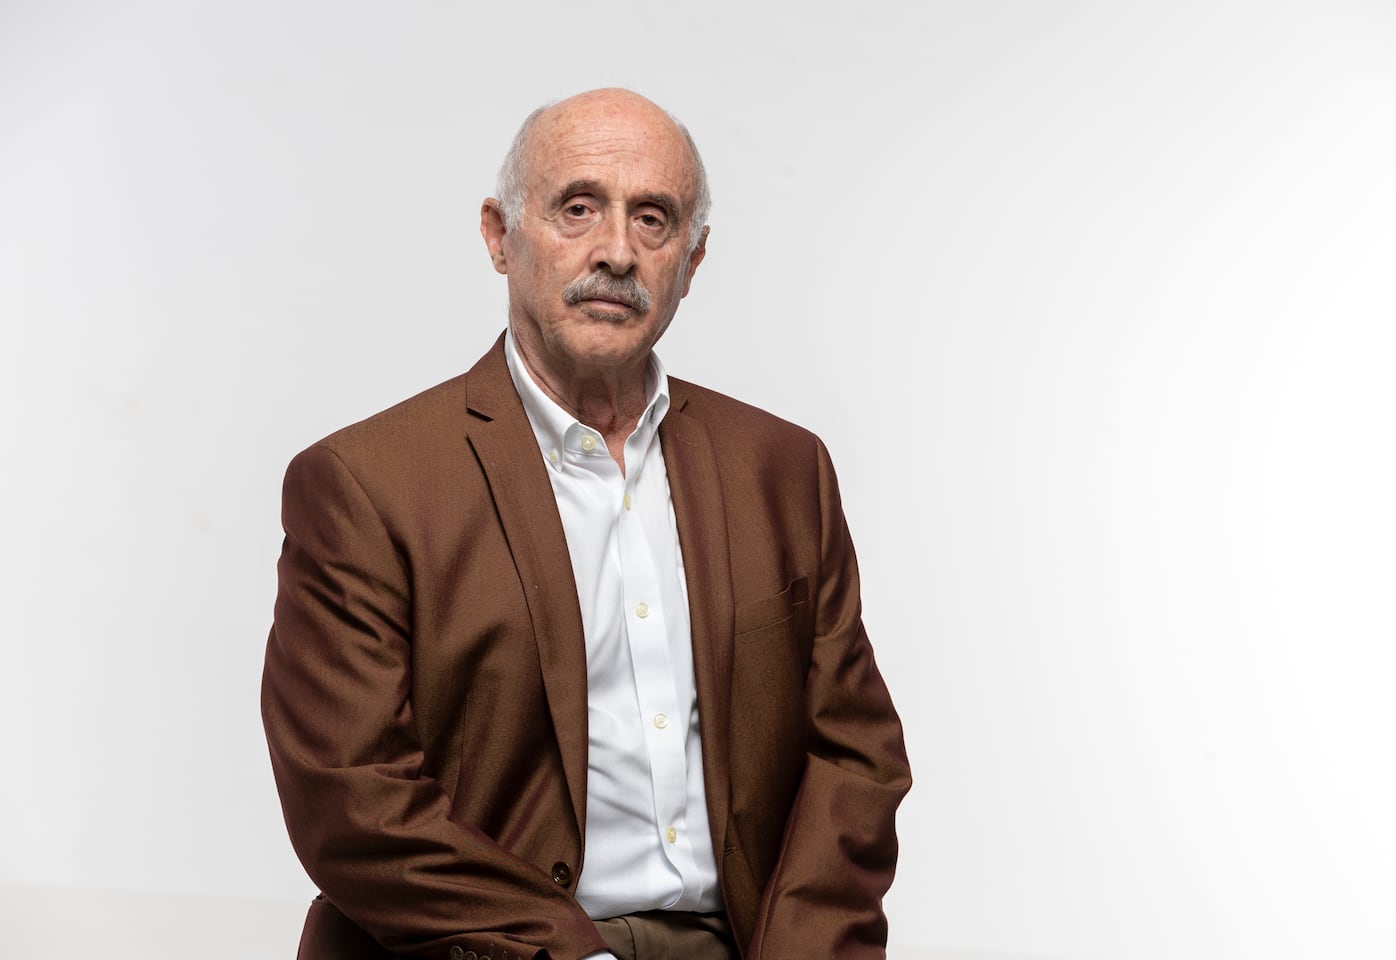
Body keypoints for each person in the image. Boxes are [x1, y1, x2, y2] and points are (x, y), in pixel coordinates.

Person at [260, 88, 910, 960]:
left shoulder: (783, 469)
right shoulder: (365, 486)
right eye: (578, 208)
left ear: (694, 259)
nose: (617, 251)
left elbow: (855, 756)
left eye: (653, 219)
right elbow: (351, 798)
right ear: (499, 236)